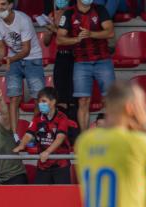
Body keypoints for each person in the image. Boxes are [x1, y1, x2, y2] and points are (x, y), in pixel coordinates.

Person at [0, 0, 45, 139]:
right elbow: (0, 49)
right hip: (12, 58)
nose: (0, 7)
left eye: (3, 4)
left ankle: (34, 133)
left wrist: (8, 60)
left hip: (32, 58)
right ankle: (14, 135)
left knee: (38, 98)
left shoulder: (23, 19)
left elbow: (26, 50)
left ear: (11, 5)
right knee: (14, 97)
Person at [57, 0, 115, 131]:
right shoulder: (69, 13)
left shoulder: (100, 10)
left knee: (110, 99)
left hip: (103, 60)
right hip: (81, 62)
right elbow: (59, 39)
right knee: (83, 101)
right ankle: (84, 138)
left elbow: (110, 32)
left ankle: (111, 135)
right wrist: (76, 39)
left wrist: (91, 34)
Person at [14, 87, 72, 184]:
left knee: (62, 196)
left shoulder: (62, 118)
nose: (40, 105)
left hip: (60, 164)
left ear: (53, 102)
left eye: (44, 101)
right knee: (40, 196)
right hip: (43, 165)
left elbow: (60, 138)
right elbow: (29, 134)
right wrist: (22, 145)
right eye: (39, 102)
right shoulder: (37, 118)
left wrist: (47, 152)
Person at [42, 0, 76, 120]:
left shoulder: (75, 13)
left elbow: (73, 38)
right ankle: (62, 128)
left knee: (72, 97)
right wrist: (49, 30)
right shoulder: (52, 15)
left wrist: (56, 29)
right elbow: (46, 42)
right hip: (60, 56)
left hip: (75, 57)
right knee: (60, 96)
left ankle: (73, 130)